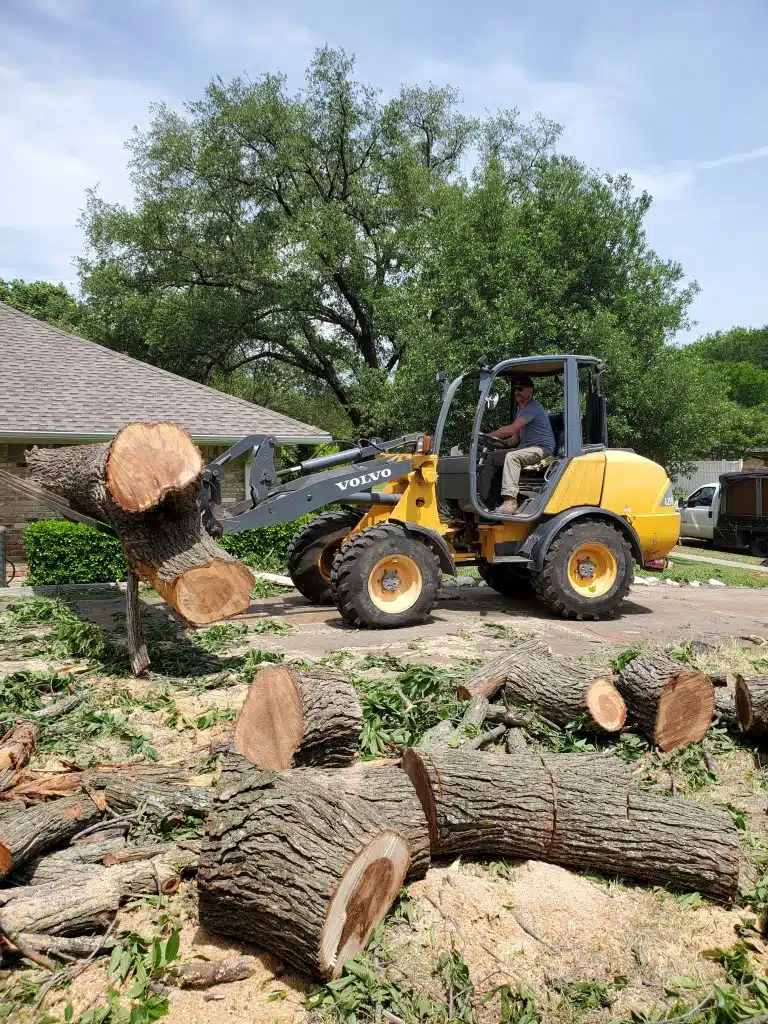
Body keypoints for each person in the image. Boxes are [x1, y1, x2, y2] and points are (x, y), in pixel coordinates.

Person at [478, 376, 556, 514]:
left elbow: (512, 429)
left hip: (542, 449)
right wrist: (496, 442)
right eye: (515, 389)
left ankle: (510, 502)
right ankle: (484, 501)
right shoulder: (521, 410)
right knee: (491, 457)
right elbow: (514, 440)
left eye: (520, 389)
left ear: (530, 390)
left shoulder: (534, 407)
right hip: (526, 449)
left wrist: (489, 434)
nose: (517, 392)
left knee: (512, 457)